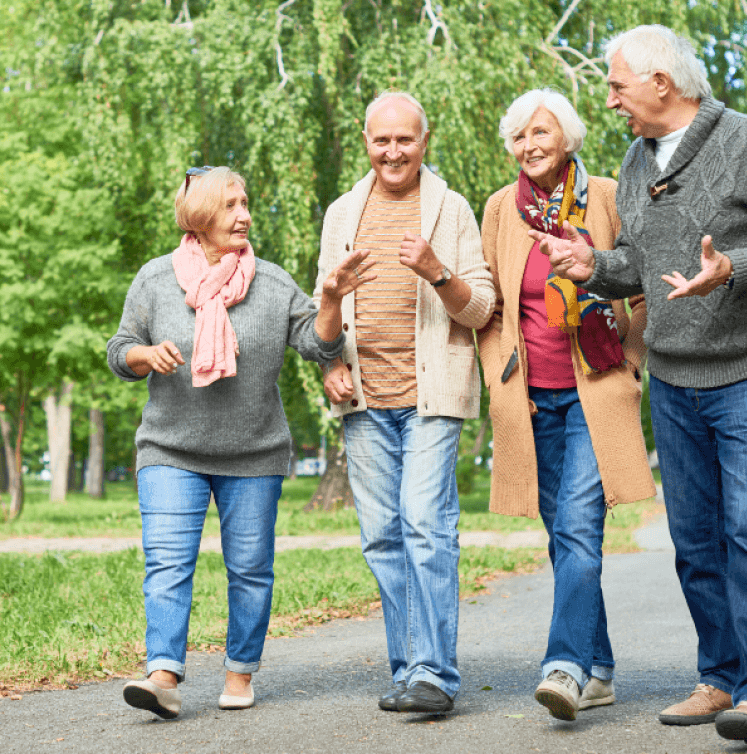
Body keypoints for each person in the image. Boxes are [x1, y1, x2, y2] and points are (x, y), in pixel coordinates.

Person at [535, 25, 747, 746]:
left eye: (616, 85)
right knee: (695, 538)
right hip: (673, 377)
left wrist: (733, 267)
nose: (609, 101)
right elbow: (641, 262)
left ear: (661, 83)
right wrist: (592, 267)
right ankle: (721, 675)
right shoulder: (637, 161)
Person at [107, 166, 373, 719]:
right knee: (167, 563)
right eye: (231, 205)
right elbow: (119, 349)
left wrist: (328, 299)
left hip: (254, 453)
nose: (245, 214)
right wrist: (145, 355)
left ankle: (239, 671)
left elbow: (319, 346)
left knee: (250, 568)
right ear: (200, 216)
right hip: (169, 449)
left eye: (245, 202)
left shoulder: (271, 283)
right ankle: (163, 676)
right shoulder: (156, 279)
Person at [312, 91, 495, 714]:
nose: (393, 152)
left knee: (425, 523)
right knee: (382, 538)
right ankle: (409, 668)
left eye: (405, 140)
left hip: (432, 394)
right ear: (366, 141)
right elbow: (323, 317)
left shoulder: (450, 210)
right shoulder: (342, 214)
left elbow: (482, 309)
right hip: (364, 398)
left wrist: (438, 271)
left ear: (425, 140)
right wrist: (331, 360)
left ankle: (435, 675)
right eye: (381, 140)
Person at [477, 88, 656, 722]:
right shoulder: (501, 209)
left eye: (540, 132)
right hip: (532, 397)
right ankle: (600, 665)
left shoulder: (605, 196)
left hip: (595, 388)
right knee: (563, 539)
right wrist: (503, 382)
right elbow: (494, 305)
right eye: (519, 135)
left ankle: (565, 666)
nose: (529, 145)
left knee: (579, 529)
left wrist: (631, 360)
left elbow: (641, 282)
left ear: (568, 137)